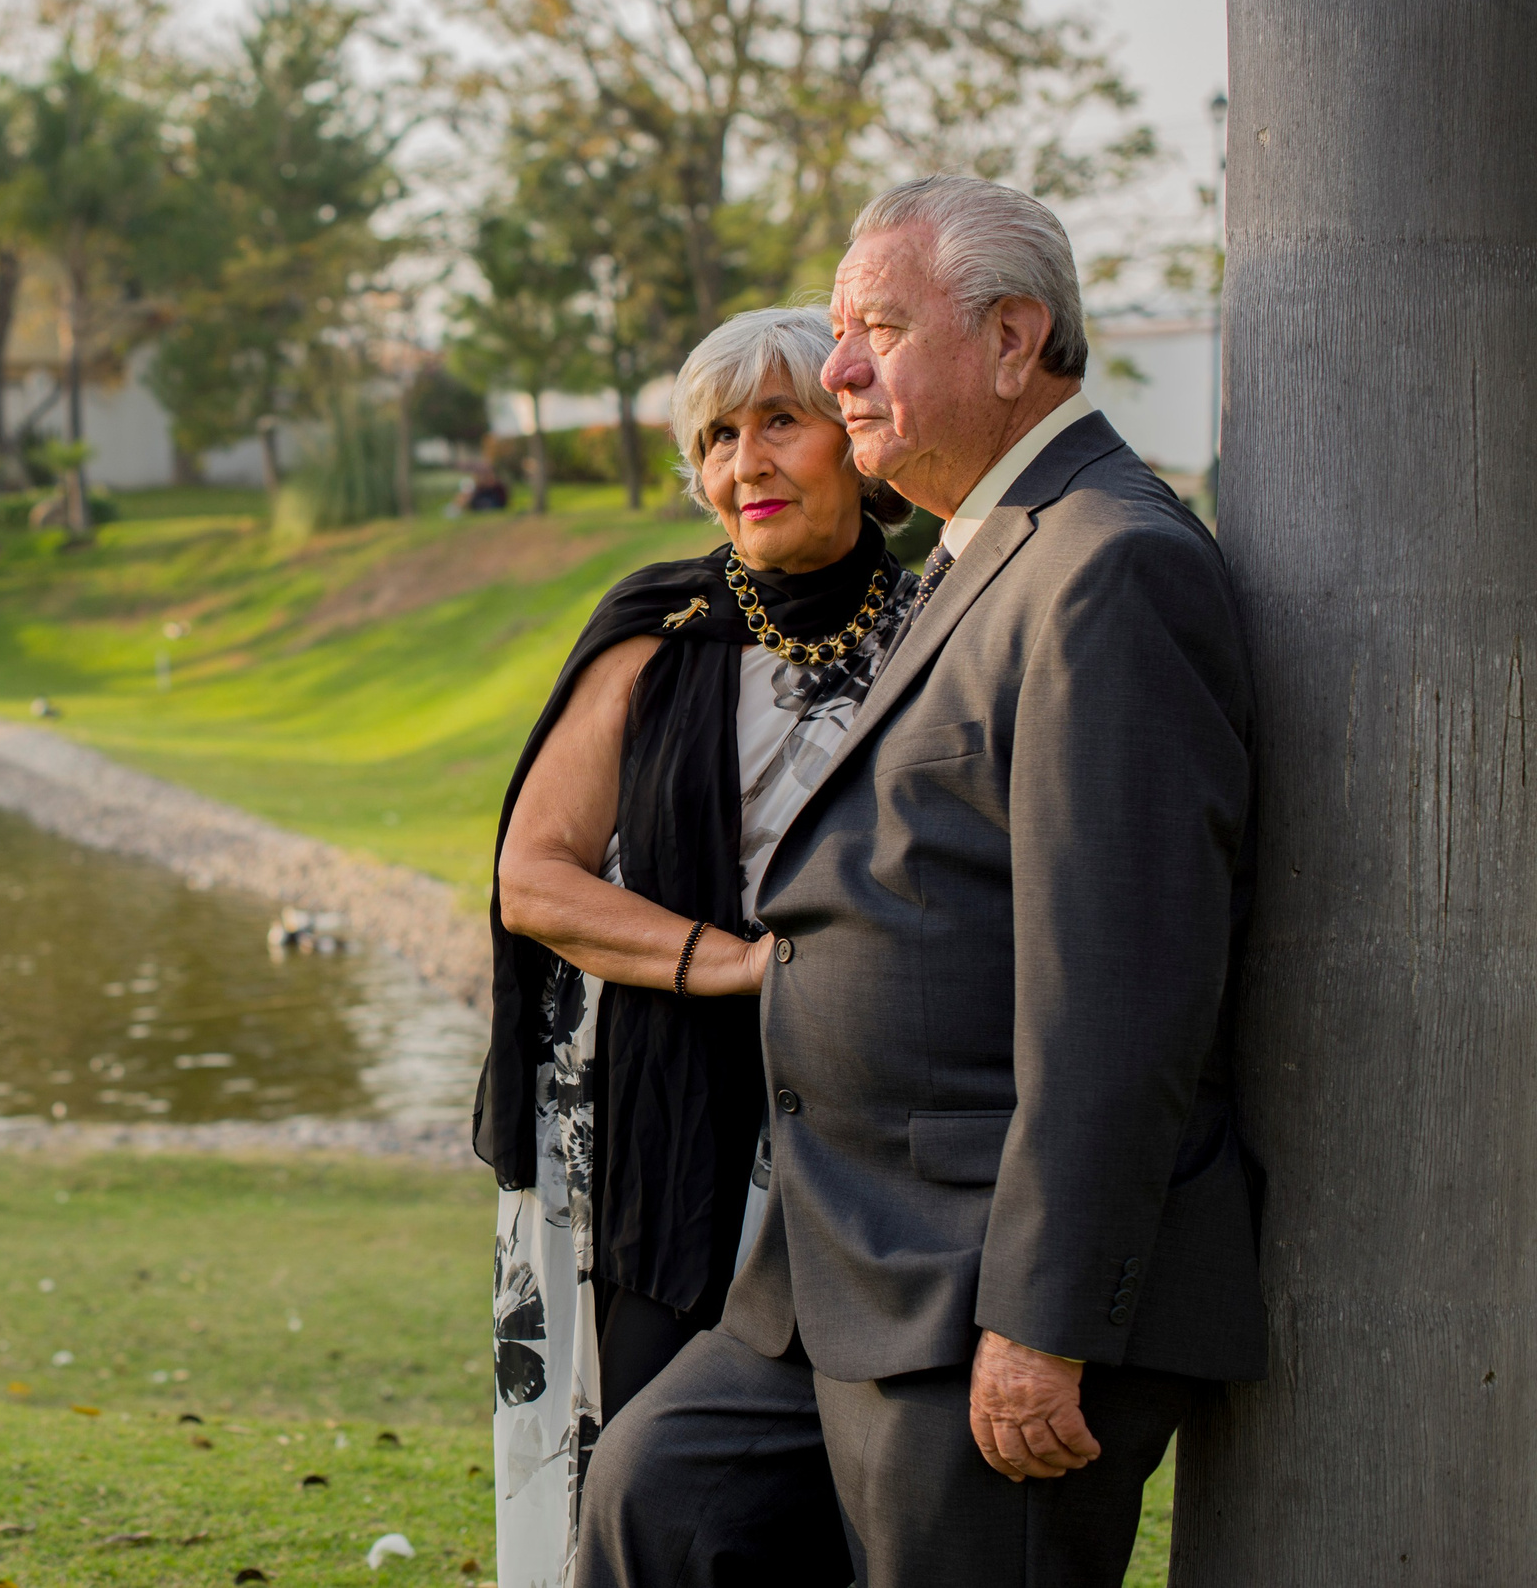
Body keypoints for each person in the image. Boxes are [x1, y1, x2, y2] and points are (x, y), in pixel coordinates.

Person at [573, 176, 1266, 1588]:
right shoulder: (974, 545)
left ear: (1013, 343)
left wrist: (1044, 1318)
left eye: (875, 329)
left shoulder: (1109, 565)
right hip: (832, 1260)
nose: (836, 373)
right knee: (656, 1504)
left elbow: (1122, 993)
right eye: (841, 332)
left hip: (980, 1289)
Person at [481, 307, 918, 1587]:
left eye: (780, 420)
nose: (745, 463)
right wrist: (736, 966)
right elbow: (534, 880)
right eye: (716, 436)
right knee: (663, 1467)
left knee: (844, 1488)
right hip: (657, 1129)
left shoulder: (943, 627)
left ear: (858, 434)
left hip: (863, 1124)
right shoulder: (654, 635)